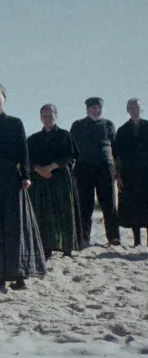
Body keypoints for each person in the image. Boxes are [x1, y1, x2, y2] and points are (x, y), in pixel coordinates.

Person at [0, 85, 46, 289]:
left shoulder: (15, 123)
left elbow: (24, 151)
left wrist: (26, 175)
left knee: (15, 227)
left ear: (5, 100)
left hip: (12, 179)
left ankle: (19, 274)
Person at [27, 104, 83, 257]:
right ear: (40, 118)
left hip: (61, 179)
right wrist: (39, 169)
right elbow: (28, 159)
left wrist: (52, 167)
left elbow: (71, 155)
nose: (47, 118)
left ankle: (67, 247)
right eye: (44, 116)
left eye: (50, 115)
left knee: (64, 212)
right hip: (40, 181)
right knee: (44, 213)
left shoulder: (65, 135)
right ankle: (46, 247)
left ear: (56, 116)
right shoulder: (33, 139)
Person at [70, 97, 120, 246]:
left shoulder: (108, 124)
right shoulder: (78, 125)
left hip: (105, 167)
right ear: (87, 109)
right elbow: (71, 147)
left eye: (98, 108)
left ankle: (113, 237)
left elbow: (116, 148)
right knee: (85, 205)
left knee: (109, 203)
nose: (95, 110)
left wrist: (117, 168)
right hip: (83, 167)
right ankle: (83, 238)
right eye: (92, 108)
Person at [116, 98, 148, 246]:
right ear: (128, 110)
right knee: (134, 207)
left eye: (137, 107)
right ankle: (137, 241)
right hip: (130, 174)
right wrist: (118, 174)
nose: (135, 110)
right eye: (132, 108)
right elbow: (117, 154)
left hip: (146, 173)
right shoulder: (122, 131)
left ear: (142, 110)